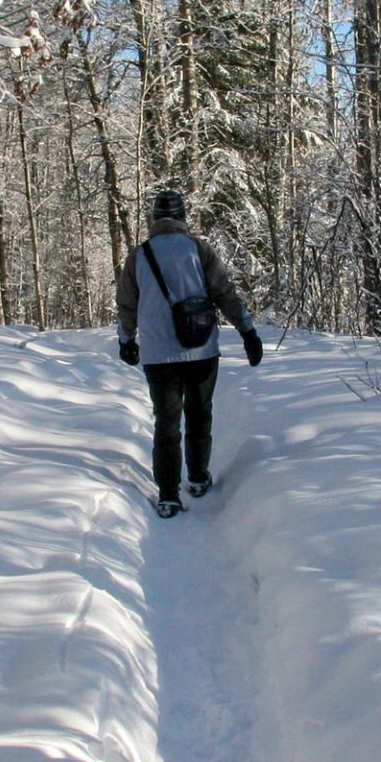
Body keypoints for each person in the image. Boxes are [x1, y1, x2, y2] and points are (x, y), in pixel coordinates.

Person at [115, 188, 263, 517]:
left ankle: (168, 495)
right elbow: (224, 293)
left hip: (157, 354)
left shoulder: (139, 255)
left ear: (154, 218)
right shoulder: (199, 249)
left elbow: (127, 304)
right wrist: (247, 331)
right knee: (199, 415)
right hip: (200, 349)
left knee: (166, 423)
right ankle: (197, 478)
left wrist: (126, 340)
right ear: (183, 216)